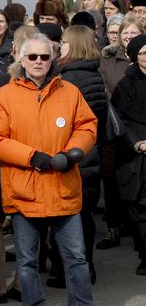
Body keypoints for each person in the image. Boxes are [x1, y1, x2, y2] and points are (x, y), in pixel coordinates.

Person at [0, 33, 98, 305]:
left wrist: (72, 153)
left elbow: (87, 125)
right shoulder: (4, 95)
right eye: (32, 56)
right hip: (25, 192)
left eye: (44, 57)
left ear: (53, 58)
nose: (38, 62)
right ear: (21, 59)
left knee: (77, 259)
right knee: (26, 262)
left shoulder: (69, 92)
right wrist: (32, 157)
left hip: (63, 189)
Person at [49, 24, 108, 286]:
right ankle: (87, 269)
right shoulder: (93, 74)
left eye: (63, 42)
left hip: (74, 157)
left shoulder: (70, 79)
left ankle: (70, 272)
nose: (60, 45)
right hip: (91, 155)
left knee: (70, 219)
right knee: (84, 217)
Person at [111, 34, 146, 275]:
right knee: (140, 209)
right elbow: (119, 120)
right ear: (135, 56)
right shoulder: (125, 85)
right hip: (136, 155)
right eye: (143, 53)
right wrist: (138, 143)